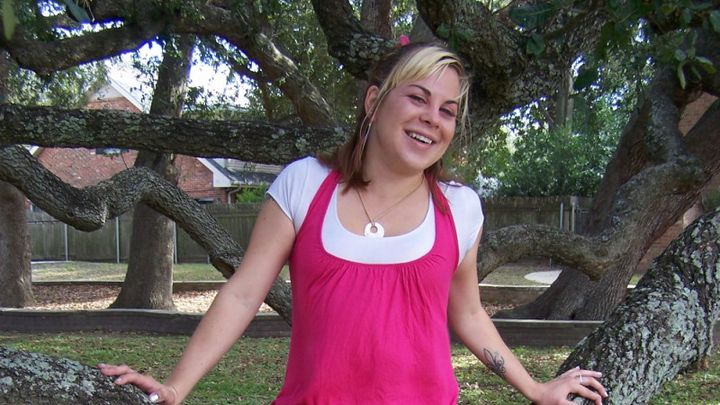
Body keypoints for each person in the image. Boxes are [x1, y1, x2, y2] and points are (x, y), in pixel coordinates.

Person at [99, 42, 608, 404]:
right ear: (373, 102)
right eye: (417, 98)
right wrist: (175, 388)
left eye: (448, 110)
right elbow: (243, 294)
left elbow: (469, 313)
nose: (433, 118)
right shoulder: (304, 184)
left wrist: (537, 389)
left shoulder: (460, 207)